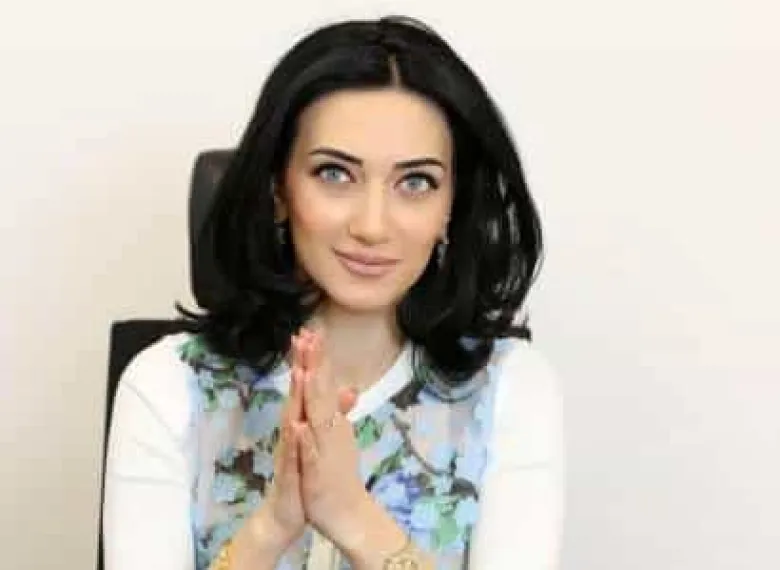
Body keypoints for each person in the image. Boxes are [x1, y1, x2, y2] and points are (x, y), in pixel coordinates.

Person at [102, 15, 564, 570]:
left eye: (416, 182)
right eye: (334, 174)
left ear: (451, 208)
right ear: (279, 189)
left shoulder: (511, 388)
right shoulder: (166, 386)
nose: (372, 225)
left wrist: (352, 516)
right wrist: (271, 527)